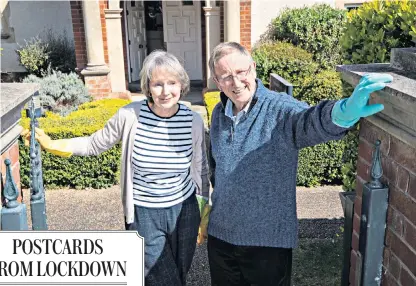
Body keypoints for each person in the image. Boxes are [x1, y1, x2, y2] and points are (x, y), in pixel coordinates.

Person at [201, 42, 393, 286]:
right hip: (222, 239)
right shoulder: (219, 113)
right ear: (217, 82)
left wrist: (343, 112)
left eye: (241, 72)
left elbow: (310, 121)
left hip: (267, 243)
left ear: (254, 68)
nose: (236, 82)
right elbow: (217, 170)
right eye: (226, 76)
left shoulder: (279, 109)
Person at [22, 50, 211, 286]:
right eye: (157, 84)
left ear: (181, 84)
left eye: (171, 83)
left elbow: (200, 168)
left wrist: (204, 211)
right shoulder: (130, 116)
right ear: (147, 87)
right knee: (160, 277)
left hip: (184, 211)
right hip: (144, 213)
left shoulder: (192, 121)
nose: (165, 91)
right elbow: (94, 143)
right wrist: (52, 144)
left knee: (180, 274)